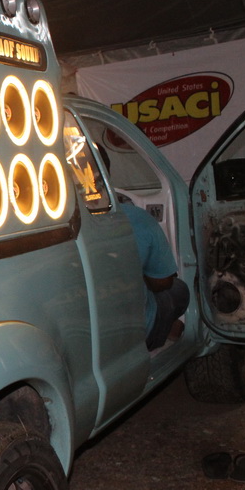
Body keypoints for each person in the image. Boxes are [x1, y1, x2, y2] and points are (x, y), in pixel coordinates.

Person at [97, 145, 189, 350]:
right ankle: (168, 329)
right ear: (106, 174)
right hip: (133, 333)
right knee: (178, 290)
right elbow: (163, 281)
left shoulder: (45, 226)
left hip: (81, 334)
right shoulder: (137, 219)